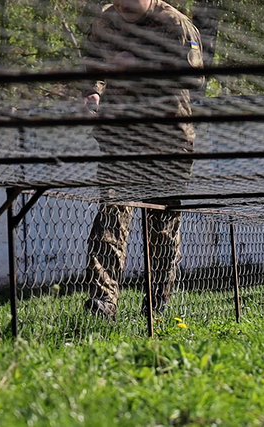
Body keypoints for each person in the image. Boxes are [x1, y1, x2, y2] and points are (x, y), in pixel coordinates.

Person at [81, 0, 204, 318]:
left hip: (167, 140)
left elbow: (194, 79)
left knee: (161, 225)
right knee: (111, 215)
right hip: (120, 136)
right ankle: (103, 301)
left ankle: (156, 303)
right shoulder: (107, 20)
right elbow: (92, 59)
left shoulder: (175, 24)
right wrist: (93, 90)